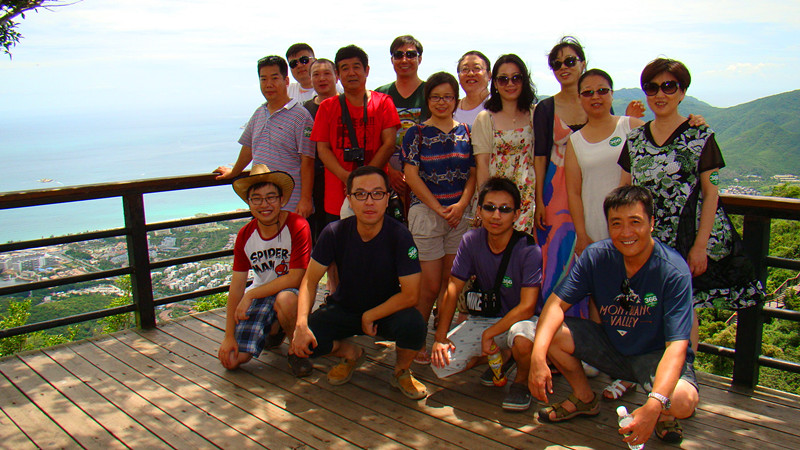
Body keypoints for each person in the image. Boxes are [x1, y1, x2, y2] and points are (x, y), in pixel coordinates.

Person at [619, 57, 763, 367]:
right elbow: (625, 191)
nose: (661, 94)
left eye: (669, 86)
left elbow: (711, 192)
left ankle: (681, 376)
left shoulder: (700, 137)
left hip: (686, 235)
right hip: (647, 239)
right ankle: (638, 373)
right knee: (645, 306)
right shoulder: (635, 140)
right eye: (652, 87)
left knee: (683, 309)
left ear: (682, 92)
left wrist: (700, 246)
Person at [529, 186, 699, 445]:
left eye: (635, 222)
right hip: (611, 346)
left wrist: (653, 405)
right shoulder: (597, 256)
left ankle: (661, 413)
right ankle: (584, 398)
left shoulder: (673, 270)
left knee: (683, 402)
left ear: (652, 223)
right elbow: (555, 304)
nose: (626, 232)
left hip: (655, 356)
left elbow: (677, 347)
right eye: (616, 224)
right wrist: (537, 357)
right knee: (549, 333)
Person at [290, 166, 429, 400]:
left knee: (415, 325)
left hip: (386, 310)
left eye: (377, 193)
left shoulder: (399, 235)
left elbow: (411, 294)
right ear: (349, 199)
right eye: (361, 194)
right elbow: (309, 281)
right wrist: (301, 325)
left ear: (387, 198)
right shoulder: (334, 232)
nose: (369, 201)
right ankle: (351, 354)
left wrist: (370, 315)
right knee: (307, 344)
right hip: (345, 307)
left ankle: (401, 371)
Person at [533, 36, 645, 317]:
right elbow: (540, 156)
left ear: (583, 63)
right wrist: (539, 201)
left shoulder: (597, 103)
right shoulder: (546, 108)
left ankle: (595, 324)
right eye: (557, 63)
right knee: (558, 255)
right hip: (556, 192)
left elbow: (614, 139)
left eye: (570, 61)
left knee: (604, 253)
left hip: (597, 191)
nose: (564, 67)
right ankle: (557, 322)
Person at [431, 177, 542, 412]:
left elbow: (528, 307)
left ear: (517, 214)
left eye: (505, 209)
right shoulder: (471, 241)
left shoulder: (529, 248)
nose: (496, 215)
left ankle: (521, 382)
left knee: (522, 341)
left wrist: (490, 334)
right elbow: (453, 288)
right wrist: (440, 337)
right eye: (489, 208)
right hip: (484, 319)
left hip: (520, 321)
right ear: (479, 210)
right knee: (442, 364)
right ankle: (504, 355)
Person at [402, 72, 476, 364]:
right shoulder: (416, 133)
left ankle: (441, 337)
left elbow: (473, 173)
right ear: (427, 100)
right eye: (435, 97)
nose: (442, 102)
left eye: (447, 97)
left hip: (459, 214)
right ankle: (417, 337)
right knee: (429, 285)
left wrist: (461, 205)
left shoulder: (467, 132)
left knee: (451, 282)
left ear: (456, 100)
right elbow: (411, 176)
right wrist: (438, 207)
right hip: (426, 214)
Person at [217, 164, 313, 378]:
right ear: (249, 202)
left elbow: (295, 277)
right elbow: (237, 285)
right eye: (257, 199)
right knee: (232, 360)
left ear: (282, 200)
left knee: (285, 300)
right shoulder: (245, 235)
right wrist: (228, 336)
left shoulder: (297, 225)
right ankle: (274, 329)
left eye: (271, 197)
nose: (264, 205)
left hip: (294, 293)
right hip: (262, 295)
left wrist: (250, 295)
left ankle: (296, 350)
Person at [215, 55, 315, 217]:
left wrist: (305, 199)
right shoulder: (259, 113)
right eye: (263, 79)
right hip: (262, 204)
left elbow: (308, 161)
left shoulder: (301, 116)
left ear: (286, 81)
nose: (269, 84)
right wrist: (234, 172)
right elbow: (249, 148)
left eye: (274, 78)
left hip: (290, 204)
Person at [310, 45, 400, 219]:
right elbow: (323, 149)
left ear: (366, 70)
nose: (351, 73)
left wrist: (363, 179)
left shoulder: (383, 102)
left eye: (356, 67)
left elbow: (389, 144)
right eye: (345, 68)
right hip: (337, 197)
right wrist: (347, 178)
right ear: (338, 74)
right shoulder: (327, 107)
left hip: (375, 195)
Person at [566, 69, 645, 256]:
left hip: (632, 225)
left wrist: (692, 123)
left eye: (602, 90)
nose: (595, 97)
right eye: (588, 92)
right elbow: (574, 193)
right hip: (594, 228)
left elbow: (663, 137)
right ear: (579, 98)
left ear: (612, 94)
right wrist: (581, 234)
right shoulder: (575, 141)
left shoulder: (631, 126)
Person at [473, 54, 537, 234]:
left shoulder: (534, 114)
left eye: (516, 78)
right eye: (503, 79)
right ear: (495, 83)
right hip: (496, 200)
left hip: (526, 196)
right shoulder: (485, 118)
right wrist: (486, 203)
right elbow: (482, 163)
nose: (510, 84)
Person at [375, 35, 428, 199]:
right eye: (398, 55)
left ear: (420, 59)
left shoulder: (431, 92)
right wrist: (389, 171)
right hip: (387, 173)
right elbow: (373, 139)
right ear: (392, 60)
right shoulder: (380, 94)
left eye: (411, 55)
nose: (404, 60)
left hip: (424, 173)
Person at [303, 58, 340, 241]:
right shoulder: (305, 110)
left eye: (327, 73)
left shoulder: (346, 105)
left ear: (336, 77)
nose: (321, 78)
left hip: (340, 178)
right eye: (316, 74)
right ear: (310, 79)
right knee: (318, 236)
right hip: (314, 181)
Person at [454, 50, 491, 126]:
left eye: (477, 68)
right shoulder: (452, 110)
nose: (471, 74)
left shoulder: (499, 105)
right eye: (465, 69)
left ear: (489, 75)